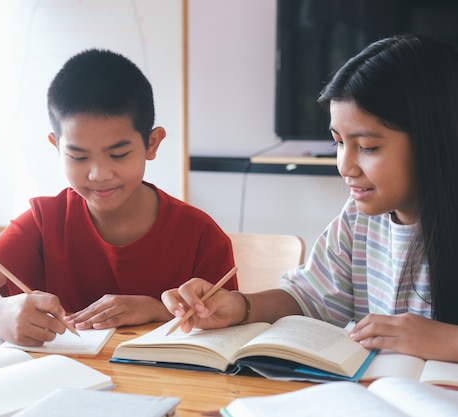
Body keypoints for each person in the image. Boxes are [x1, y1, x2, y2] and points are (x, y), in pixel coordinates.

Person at [162, 34, 458, 362]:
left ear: (435, 139)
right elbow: (306, 297)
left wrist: (447, 339)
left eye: (368, 147)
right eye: (339, 143)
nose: (345, 166)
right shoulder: (358, 219)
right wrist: (238, 307)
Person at [0, 48, 237, 346]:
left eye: (118, 154)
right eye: (78, 157)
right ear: (57, 148)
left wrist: (156, 310)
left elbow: (230, 329)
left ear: (152, 143)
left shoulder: (199, 236)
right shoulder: (44, 222)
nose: (99, 174)